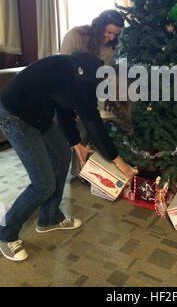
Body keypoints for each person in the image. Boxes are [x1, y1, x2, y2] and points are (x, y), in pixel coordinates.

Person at [0, 51, 133, 262]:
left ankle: (49, 218)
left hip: (39, 113)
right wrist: (117, 160)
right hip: (15, 114)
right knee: (43, 184)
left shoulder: (89, 74)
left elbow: (65, 107)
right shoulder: (85, 80)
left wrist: (75, 142)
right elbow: (93, 124)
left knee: (62, 154)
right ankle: (6, 233)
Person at [60, 9, 124, 179]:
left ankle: (89, 170)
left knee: (93, 124)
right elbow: (63, 73)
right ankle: (73, 171)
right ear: (99, 26)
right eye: (109, 32)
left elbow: (104, 77)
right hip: (67, 91)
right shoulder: (76, 36)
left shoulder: (112, 46)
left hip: (92, 92)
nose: (111, 38)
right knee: (76, 128)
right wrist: (76, 105)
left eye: (115, 34)